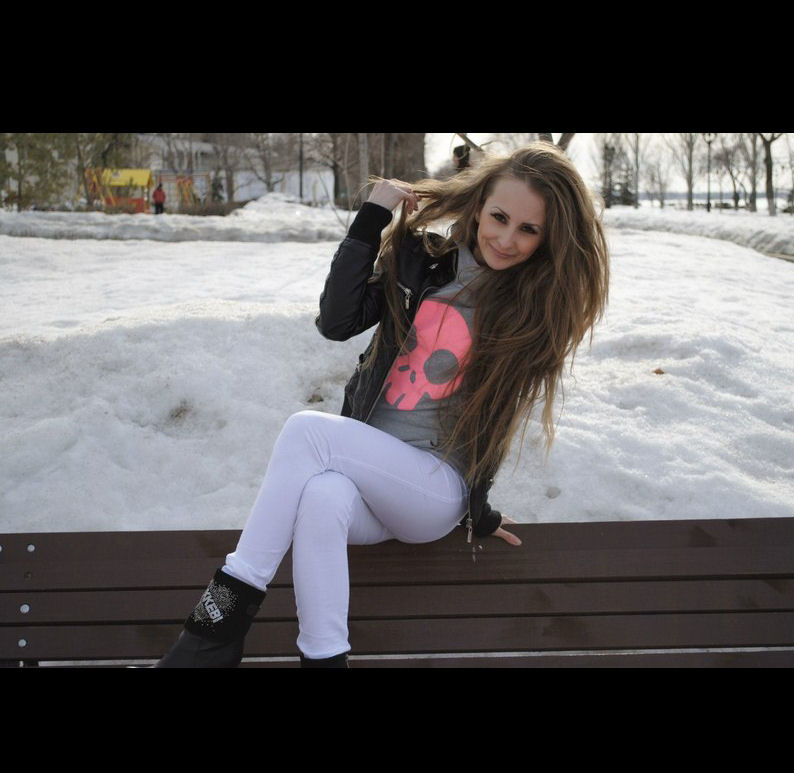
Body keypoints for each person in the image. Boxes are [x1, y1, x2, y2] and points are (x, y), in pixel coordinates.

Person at [155, 141, 610, 668]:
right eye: (499, 218)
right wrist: (371, 219)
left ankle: (213, 631)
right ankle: (324, 657)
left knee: (307, 431)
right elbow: (336, 322)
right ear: (479, 205)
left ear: (549, 239)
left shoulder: (532, 309)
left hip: (434, 487)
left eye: (528, 230)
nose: (507, 240)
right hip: (371, 480)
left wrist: (479, 511)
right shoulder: (422, 263)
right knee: (322, 496)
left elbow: (498, 416)